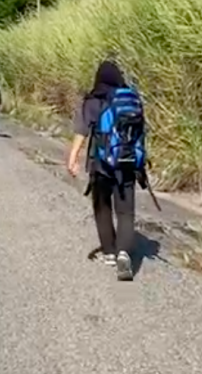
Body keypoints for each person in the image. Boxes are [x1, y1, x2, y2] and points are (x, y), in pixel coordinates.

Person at [66, 60, 140, 282]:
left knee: (102, 207)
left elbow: (81, 131)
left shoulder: (92, 100)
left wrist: (72, 158)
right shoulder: (130, 99)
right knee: (126, 212)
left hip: (100, 164)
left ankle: (109, 252)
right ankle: (124, 254)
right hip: (127, 163)